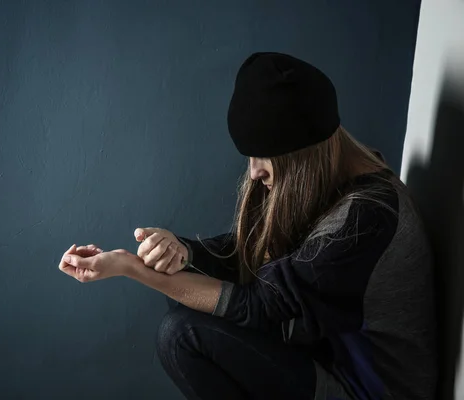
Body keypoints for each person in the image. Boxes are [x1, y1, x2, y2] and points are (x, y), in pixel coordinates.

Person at [58, 52, 437, 399]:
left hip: (365, 391)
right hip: (327, 360)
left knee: (182, 334)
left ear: (303, 156)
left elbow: (261, 305)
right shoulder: (343, 181)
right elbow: (250, 256)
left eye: (264, 156)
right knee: (185, 313)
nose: (254, 171)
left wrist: (132, 268)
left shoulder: (367, 216)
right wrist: (182, 250)